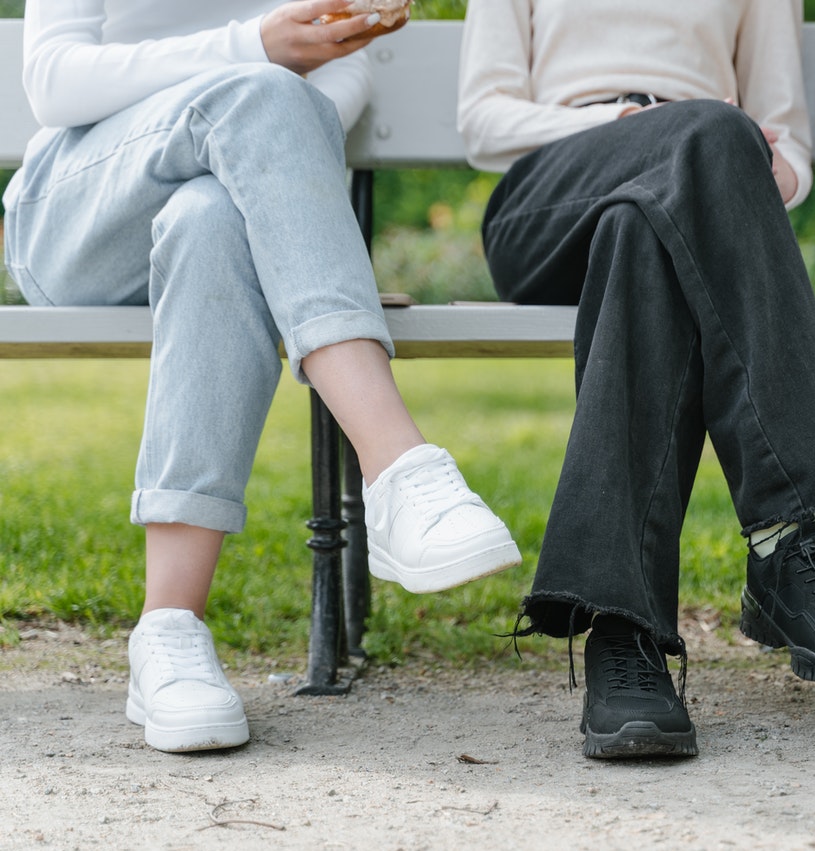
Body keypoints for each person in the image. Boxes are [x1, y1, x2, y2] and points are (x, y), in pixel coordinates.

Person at [3, 0, 522, 753]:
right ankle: (400, 465)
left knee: (212, 219)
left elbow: (329, 91)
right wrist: (252, 47)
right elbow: (53, 81)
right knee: (262, 91)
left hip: (220, 193)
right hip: (76, 213)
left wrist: (271, 86)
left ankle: (169, 631)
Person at [456, 0, 815, 760]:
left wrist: (764, 167)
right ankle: (788, 537)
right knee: (705, 136)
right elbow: (482, 120)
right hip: (546, 202)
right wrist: (632, 122)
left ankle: (625, 632)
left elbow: (791, 147)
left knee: (642, 233)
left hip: (684, 193)